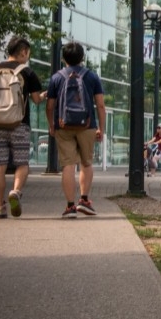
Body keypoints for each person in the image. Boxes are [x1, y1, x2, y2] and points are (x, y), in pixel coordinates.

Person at [0, 36, 45, 219]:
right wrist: (44, 95)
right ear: (23, 52)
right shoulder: (27, 72)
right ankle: (15, 191)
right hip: (19, 125)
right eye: (28, 53)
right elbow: (36, 99)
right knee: (22, 163)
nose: (27, 57)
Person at [46, 42, 107, 218]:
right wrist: (101, 129)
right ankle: (84, 200)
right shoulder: (92, 77)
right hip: (87, 125)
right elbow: (100, 105)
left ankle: (70, 206)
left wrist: (52, 124)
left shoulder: (56, 78)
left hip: (63, 126)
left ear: (63, 58)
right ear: (82, 58)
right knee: (86, 163)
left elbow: (50, 106)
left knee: (68, 165)